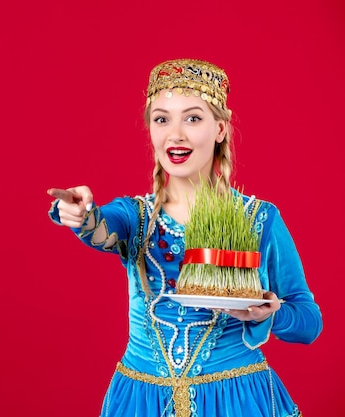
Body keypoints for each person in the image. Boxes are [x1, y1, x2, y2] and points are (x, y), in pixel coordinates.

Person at [46, 58, 322, 417]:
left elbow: (308, 321)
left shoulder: (259, 219)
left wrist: (266, 312)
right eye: (162, 119)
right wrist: (81, 214)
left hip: (237, 400)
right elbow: (102, 229)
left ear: (220, 129)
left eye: (192, 118)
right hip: (142, 400)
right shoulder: (136, 217)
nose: (175, 134)